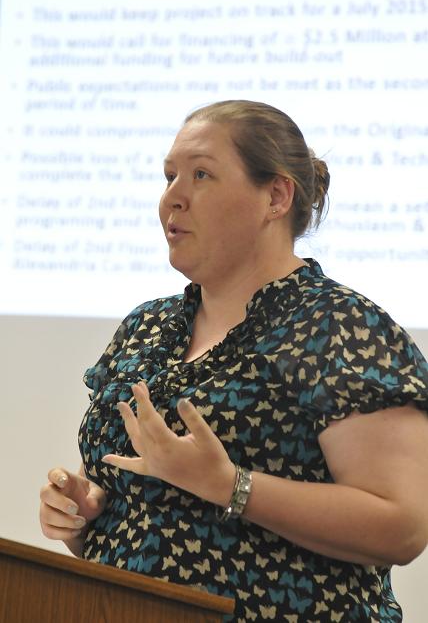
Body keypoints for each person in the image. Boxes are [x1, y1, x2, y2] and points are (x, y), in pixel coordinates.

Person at [40, 100, 428, 622]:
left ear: (275, 195)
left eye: (200, 175)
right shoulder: (145, 328)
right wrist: (83, 513)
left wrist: (230, 486)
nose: (172, 198)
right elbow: (130, 515)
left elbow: (402, 526)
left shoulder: (341, 328)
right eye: (169, 176)